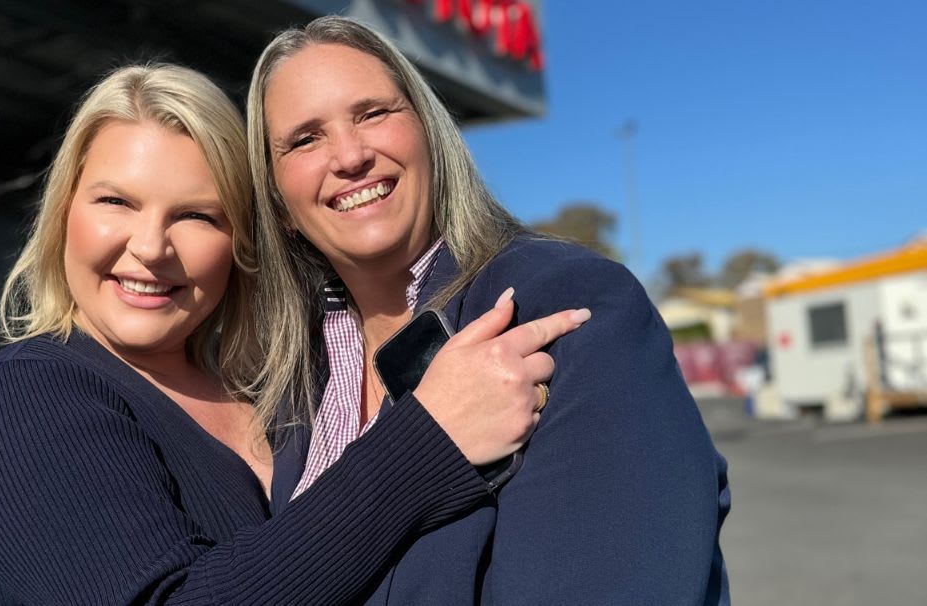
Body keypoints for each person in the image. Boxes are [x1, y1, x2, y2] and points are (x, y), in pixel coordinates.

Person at [0, 63, 586, 605]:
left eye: (196, 215)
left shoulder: (268, 393)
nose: (150, 248)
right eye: (116, 202)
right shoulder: (26, 396)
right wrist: (430, 440)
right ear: (63, 217)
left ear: (241, 243)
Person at [247, 16, 731, 605]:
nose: (350, 156)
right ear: (277, 200)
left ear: (429, 131)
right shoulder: (291, 389)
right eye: (304, 139)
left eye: (373, 113)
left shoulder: (562, 303)